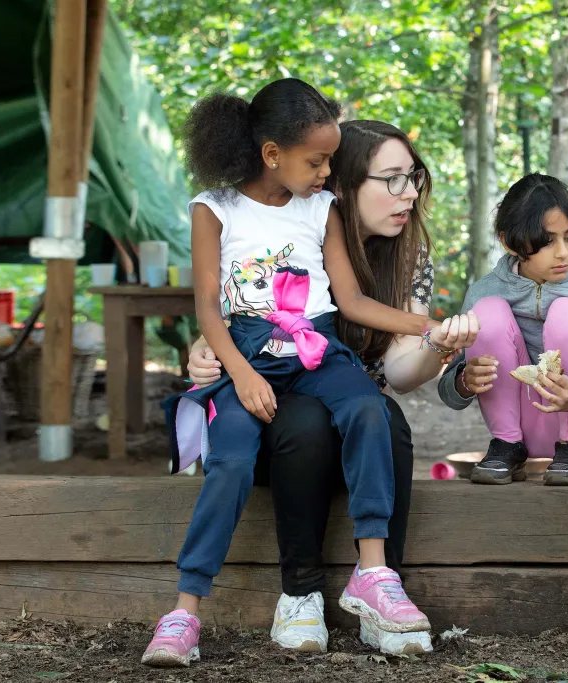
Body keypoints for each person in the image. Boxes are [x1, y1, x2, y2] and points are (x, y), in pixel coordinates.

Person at [143, 80, 473, 667]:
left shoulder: (321, 209)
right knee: (230, 462)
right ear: (273, 154)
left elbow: (348, 301)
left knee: (370, 410)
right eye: (317, 160)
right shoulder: (212, 209)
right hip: (245, 352)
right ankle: (184, 613)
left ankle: (372, 572)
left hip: (315, 347)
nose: (326, 172)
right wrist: (241, 374)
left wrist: (428, 326)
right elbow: (207, 310)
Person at [438, 173, 568, 485]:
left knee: (567, 311)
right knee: (489, 312)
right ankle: (506, 446)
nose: (563, 252)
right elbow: (449, 393)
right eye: (547, 241)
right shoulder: (482, 292)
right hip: (517, 422)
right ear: (509, 241)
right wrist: (465, 381)